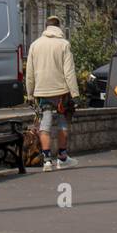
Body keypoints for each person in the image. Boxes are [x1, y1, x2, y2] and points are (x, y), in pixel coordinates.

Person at [25, 16, 80, 170]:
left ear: (46, 27)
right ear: (59, 27)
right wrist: (75, 94)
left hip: (42, 91)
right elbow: (69, 72)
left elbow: (29, 73)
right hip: (61, 92)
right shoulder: (64, 45)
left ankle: (47, 160)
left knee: (45, 123)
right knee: (63, 122)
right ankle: (62, 157)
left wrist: (29, 95)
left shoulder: (35, 45)